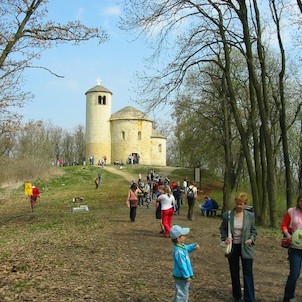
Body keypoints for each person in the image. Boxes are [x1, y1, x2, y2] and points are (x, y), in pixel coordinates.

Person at [219, 192, 257, 302]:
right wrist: (225, 238)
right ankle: (237, 295)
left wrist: (252, 239)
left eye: (241, 204)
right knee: (234, 271)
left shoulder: (250, 216)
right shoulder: (228, 215)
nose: (239, 206)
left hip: (246, 246)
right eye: (237, 204)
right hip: (233, 247)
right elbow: (222, 229)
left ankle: (249, 298)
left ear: (245, 204)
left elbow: (254, 231)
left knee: (248, 272)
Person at [170, 225, 200, 302]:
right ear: (178, 238)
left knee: (180, 292)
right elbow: (182, 265)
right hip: (182, 276)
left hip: (182, 275)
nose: (185, 237)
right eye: (183, 236)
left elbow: (187, 248)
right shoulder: (178, 251)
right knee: (182, 294)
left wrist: (194, 246)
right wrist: (186, 276)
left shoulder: (181, 246)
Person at [281, 192, 302, 302]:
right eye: (301, 201)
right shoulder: (291, 211)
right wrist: (288, 235)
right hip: (295, 248)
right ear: (298, 201)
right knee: (294, 274)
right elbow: (284, 224)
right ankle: (288, 297)